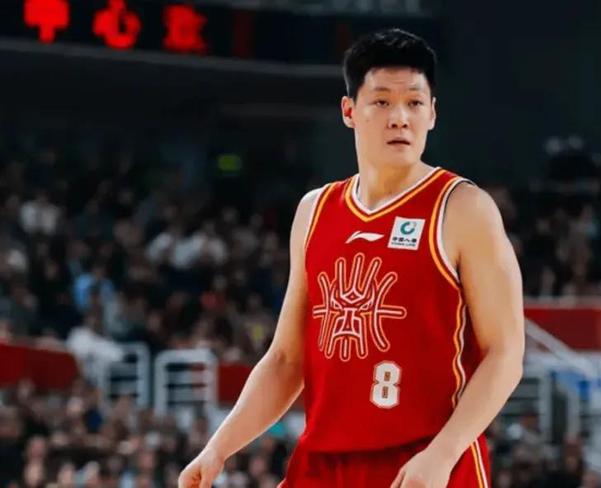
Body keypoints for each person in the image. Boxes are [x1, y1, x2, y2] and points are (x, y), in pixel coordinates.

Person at [179, 28, 525, 488]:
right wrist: (218, 448)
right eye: (382, 102)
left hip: (424, 460)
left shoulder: (463, 208)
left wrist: (443, 453)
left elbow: (506, 353)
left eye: (414, 103)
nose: (400, 117)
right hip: (322, 464)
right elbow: (286, 360)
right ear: (349, 111)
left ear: (432, 113)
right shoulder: (314, 211)